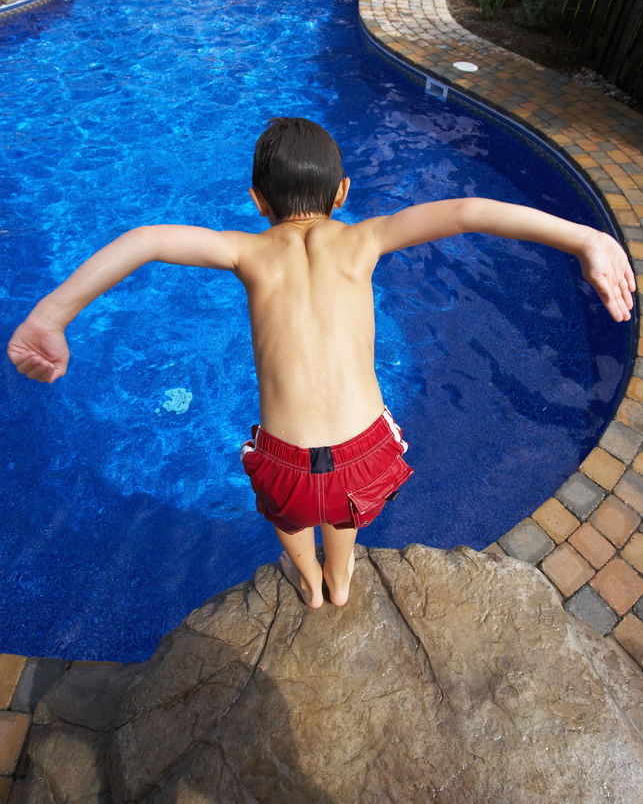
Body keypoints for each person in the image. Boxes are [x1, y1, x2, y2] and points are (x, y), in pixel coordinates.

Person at [7, 117, 635, 609]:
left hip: (286, 469)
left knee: (291, 509)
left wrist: (52, 316)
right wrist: (587, 237)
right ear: (342, 192)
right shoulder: (364, 239)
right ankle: (341, 575)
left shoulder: (246, 251)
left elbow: (143, 241)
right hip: (367, 461)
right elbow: (470, 210)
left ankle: (306, 579)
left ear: (257, 201)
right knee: (345, 504)